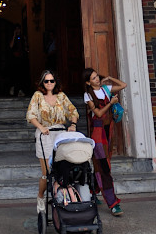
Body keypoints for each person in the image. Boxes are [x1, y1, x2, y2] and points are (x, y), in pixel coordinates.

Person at [25, 69, 78, 214]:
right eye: (46, 81)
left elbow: (73, 111)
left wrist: (72, 125)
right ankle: (41, 197)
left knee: (63, 167)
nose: (49, 83)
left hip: (60, 133)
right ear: (42, 83)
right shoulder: (38, 96)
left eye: (52, 81)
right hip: (45, 134)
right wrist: (41, 127)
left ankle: (61, 195)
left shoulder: (61, 96)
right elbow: (31, 114)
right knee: (46, 172)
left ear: (56, 82)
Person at [83, 67, 126, 216]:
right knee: (104, 168)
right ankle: (113, 203)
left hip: (109, 132)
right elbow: (99, 113)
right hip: (97, 133)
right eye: (94, 78)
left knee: (102, 164)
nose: (97, 79)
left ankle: (92, 191)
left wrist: (109, 78)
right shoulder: (88, 95)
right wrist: (111, 102)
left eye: (97, 76)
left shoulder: (106, 88)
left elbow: (123, 85)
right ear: (88, 82)